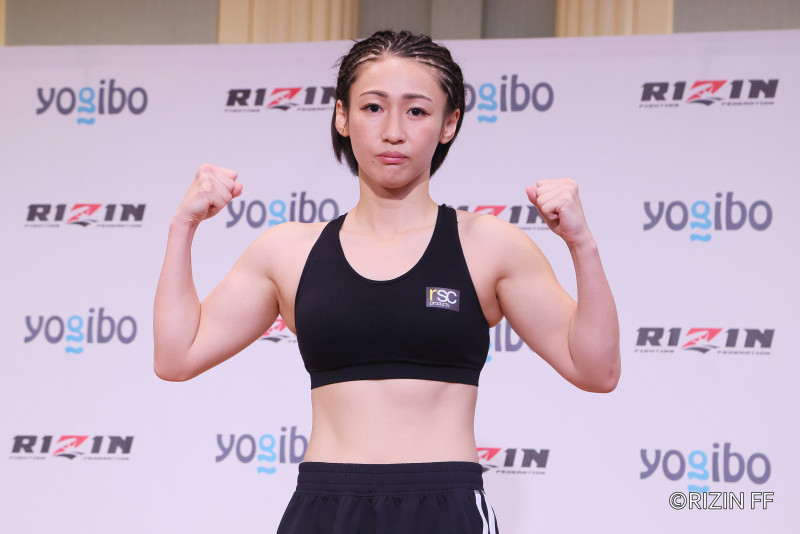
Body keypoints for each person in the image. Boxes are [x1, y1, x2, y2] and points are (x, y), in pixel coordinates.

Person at [154, 30, 620, 533]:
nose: (393, 131)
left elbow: (596, 370)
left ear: (449, 123)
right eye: (373, 108)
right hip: (325, 509)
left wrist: (582, 244)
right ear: (342, 116)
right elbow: (177, 356)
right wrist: (183, 226)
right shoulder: (287, 251)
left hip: (445, 508)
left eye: (416, 111)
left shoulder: (489, 245)